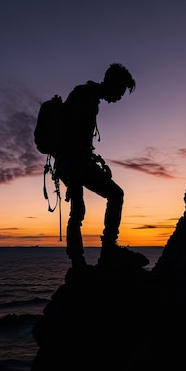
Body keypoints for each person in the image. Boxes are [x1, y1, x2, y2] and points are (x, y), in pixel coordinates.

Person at [54, 63, 149, 269]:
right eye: (120, 91)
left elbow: (77, 136)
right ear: (112, 83)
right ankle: (107, 251)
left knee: (77, 211)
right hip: (73, 162)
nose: (120, 97)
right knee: (115, 195)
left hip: (71, 161)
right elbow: (71, 134)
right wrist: (76, 167)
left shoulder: (87, 95)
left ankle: (80, 262)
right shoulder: (85, 97)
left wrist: (94, 161)